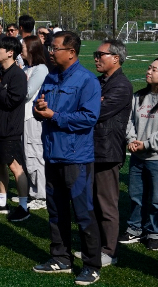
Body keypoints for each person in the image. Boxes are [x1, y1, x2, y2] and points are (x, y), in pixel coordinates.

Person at [32, 31, 102, 285]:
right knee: (56, 210)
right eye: (50, 47)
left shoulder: (87, 81)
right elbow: (38, 107)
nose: (50, 51)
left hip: (76, 158)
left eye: (55, 48)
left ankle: (92, 265)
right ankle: (60, 257)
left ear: (71, 52)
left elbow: (88, 118)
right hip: (52, 154)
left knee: (83, 213)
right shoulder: (51, 77)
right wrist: (39, 110)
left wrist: (54, 116)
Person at [86, 40, 132, 267]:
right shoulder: (101, 81)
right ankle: (96, 248)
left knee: (107, 204)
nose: (96, 58)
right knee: (93, 201)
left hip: (107, 151)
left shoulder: (121, 84)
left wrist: (92, 102)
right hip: (93, 148)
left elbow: (97, 111)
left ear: (116, 57)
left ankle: (109, 251)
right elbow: (87, 104)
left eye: (100, 54)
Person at [0, 36, 30, 222]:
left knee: (15, 167)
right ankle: (1, 202)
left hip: (9, 129)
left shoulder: (17, 75)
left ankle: (23, 206)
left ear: (10, 52)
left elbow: (12, 101)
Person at [121, 58, 158, 252]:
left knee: (155, 198)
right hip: (137, 156)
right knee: (136, 195)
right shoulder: (139, 97)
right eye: (149, 68)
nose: (149, 71)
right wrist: (131, 140)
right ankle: (135, 228)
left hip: (155, 158)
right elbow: (130, 122)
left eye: (154, 69)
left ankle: (154, 232)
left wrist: (147, 144)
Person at [20, 36, 49, 210]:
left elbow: (27, 93)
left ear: (31, 49)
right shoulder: (26, 68)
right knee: (26, 155)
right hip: (22, 117)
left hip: (32, 117)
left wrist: (18, 83)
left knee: (35, 154)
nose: (21, 49)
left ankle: (42, 196)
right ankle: (32, 191)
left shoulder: (41, 69)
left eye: (23, 46)